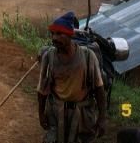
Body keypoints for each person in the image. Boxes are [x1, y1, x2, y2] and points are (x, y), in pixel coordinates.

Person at [37, 12, 107, 143]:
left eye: (59, 34)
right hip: (56, 115)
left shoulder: (88, 56)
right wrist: (41, 114)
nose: (54, 38)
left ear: (70, 35)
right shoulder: (49, 57)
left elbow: (99, 90)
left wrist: (102, 118)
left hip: (82, 116)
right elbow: (42, 91)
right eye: (53, 34)